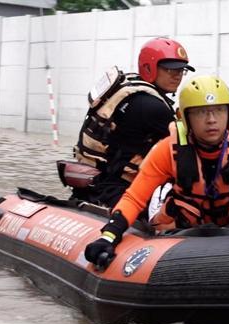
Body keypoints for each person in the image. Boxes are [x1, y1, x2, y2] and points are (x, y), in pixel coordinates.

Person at [85, 75, 229, 268]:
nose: (211, 120)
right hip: (180, 235)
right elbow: (134, 198)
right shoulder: (167, 150)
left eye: (218, 110)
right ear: (185, 118)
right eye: (201, 113)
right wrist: (109, 236)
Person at [73, 37, 195, 207]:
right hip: (117, 190)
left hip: (98, 181)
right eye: (170, 70)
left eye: (181, 70)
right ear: (148, 67)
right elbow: (187, 146)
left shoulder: (128, 88)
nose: (177, 76)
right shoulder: (151, 106)